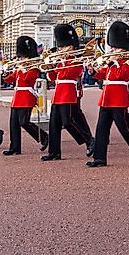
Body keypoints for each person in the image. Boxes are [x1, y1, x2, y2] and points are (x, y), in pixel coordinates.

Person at [87, 21, 129, 167]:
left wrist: (114, 63)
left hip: (118, 97)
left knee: (123, 126)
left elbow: (122, 75)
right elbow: (105, 75)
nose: (112, 49)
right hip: (106, 98)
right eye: (112, 47)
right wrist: (93, 71)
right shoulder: (112, 61)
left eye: (115, 47)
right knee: (101, 128)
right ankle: (99, 158)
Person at [41, 24, 94, 161]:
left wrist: (59, 64)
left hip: (68, 93)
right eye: (60, 47)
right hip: (58, 94)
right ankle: (54, 152)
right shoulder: (61, 61)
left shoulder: (76, 60)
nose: (60, 50)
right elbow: (53, 78)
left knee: (68, 122)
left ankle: (88, 140)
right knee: (54, 125)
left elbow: (68, 74)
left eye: (63, 47)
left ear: (71, 47)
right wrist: (49, 68)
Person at [2, 36, 48, 156]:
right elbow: (9, 79)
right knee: (14, 124)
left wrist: (22, 69)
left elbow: (28, 80)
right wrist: (5, 73)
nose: (21, 59)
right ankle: (14, 147)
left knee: (24, 122)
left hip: (26, 97)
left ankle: (44, 136)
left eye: (23, 57)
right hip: (17, 98)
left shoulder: (34, 68)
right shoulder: (19, 68)